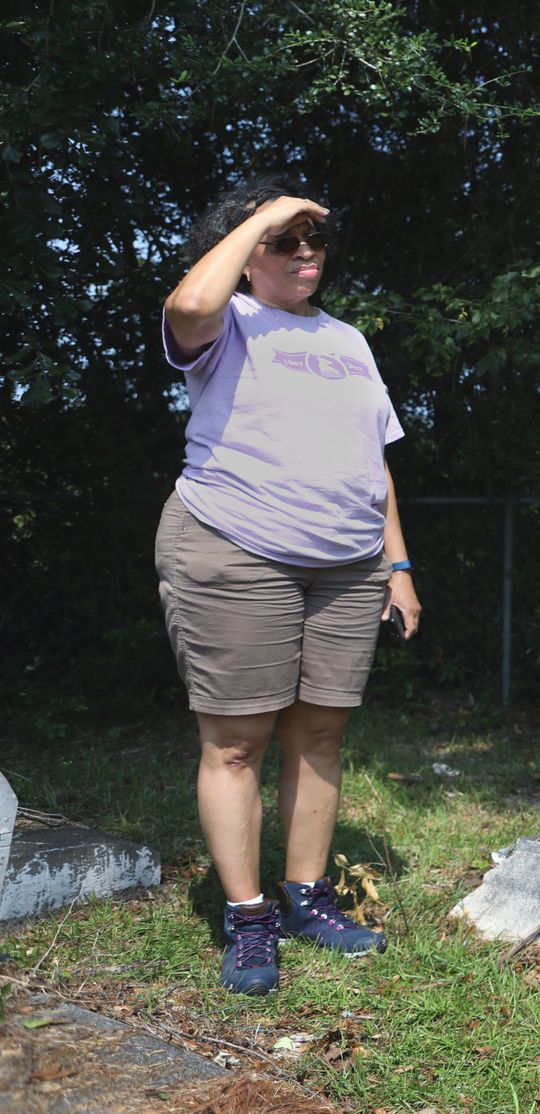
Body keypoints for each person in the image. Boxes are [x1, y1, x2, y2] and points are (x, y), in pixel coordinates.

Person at [158, 177, 420, 995]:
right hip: (238, 548)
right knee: (237, 742)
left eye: (315, 237)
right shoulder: (226, 317)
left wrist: (398, 565)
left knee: (322, 734)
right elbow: (187, 304)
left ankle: (307, 898)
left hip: (346, 567)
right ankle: (248, 918)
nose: (305, 250)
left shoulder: (348, 340)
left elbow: (371, 460)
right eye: (284, 239)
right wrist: (262, 215)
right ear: (246, 255)